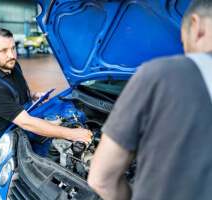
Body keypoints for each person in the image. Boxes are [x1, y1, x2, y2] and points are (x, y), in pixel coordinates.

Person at [87, 0, 212, 199]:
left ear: (196, 26)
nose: (186, 50)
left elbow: (100, 179)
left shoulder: (159, 74)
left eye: (183, 42)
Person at [0, 27, 92, 172]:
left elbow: (20, 90)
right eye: (3, 51)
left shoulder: (13, 64)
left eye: (13, 48)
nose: (11, 55)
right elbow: (26, 122)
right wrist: (72, 133)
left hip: (17, 124)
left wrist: (33, 95)